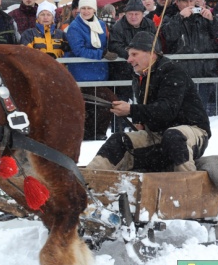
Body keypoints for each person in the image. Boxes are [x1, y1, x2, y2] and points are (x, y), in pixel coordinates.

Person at [86, 31, 211, 173]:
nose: (129, 60)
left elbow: (167, 110)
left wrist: (131, 110)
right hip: (157, 134)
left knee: (173, 137)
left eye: (134, 54)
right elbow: (150, 110)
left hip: (192, 131)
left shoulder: (172, 71)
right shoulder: (139, 76)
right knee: (118, 140)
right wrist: (141, 122)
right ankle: (88, 181)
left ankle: (187, 187)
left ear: (152, 53)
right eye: (129, 55)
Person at [160, 0, 218, 115]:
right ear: (177, 1)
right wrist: (180, 18)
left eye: (191, 0)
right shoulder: (169, 16)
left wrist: (212, 19)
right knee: (182, 112)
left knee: (201, 113)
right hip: (181, 75)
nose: (189, 4)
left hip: (204, 72)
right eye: (185, 1)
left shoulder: (203, 16)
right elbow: (168, 35)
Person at [66, 0, 114, 140]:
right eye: (83, 8)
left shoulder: (100, 25)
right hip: (82, 74)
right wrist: (101, 54)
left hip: (99, 73)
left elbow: (106, 44)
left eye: (89, 8)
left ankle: (97, 133)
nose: (86, 11)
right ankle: (89, 134)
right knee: (102, 101)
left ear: (94, 10)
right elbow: (78, 50)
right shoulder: (74, 27)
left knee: (100, 105)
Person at [108, 0, 157, 130]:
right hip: (123, 71)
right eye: (130, 14)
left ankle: (143, 127)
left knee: (144, 101)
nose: (133, 17)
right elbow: (115, 45)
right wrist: (133, 55)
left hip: (145, 71)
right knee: (120, 101)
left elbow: (154, 44)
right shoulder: (118, 27)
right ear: (125, 14)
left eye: (136, 14)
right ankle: (117, 130)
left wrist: (143, 57)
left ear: (142, 14)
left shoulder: (149, 24)